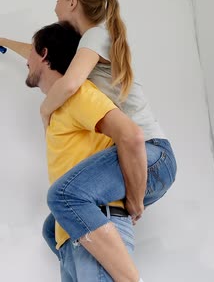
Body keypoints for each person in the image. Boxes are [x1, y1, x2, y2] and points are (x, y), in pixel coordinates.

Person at [0, 0, 177, 280]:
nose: (55, 6)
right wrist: (2, 42)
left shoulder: (95, 36)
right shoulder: (84, 47)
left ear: (73, 1)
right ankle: (86, 256)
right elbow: (40, 54)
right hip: (139, 154)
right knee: (54, 228)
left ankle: (129, 277)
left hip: (151, 153)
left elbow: (71, 81)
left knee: (63, 196)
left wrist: (46, 108)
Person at [26, 21, 145, 281]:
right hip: (75, 239)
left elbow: (130, 134)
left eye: (30, 53)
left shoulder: (79, 95)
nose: (26, 59)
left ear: (44, 54)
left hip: (95, 233)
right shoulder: (57, 109)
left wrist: (136, 201)